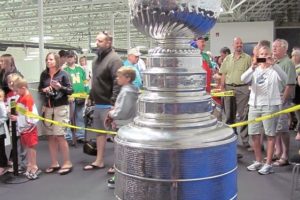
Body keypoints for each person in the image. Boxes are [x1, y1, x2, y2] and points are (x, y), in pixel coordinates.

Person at [241, 46, 287, 175]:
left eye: (266, 54)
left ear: (270, 55)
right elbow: (243, 79)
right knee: (254, 134)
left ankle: (268, 164)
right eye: (261, 54)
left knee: (270, 135)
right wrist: (253, 66)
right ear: (257, 55)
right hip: (254, 105)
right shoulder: (255, 69)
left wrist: (274, 65)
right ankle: (258, 161)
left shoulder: (274, 70)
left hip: (270, 106)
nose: (264, 56)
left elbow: (285, 78)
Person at [83, 31, 122, 171]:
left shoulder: (115, 60)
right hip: (98, 103)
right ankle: (99, 160)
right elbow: (95, 80)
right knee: (99, 133)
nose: (96, 44)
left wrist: (114, 104)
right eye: (96, 41)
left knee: (114, 136)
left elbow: (118, 83)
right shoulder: (95, 60)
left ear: (108, 42)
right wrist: (91, 96)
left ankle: (118, 164)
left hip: (109, 104)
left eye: (100, 41)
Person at [38, 52, 73, 175]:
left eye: (51, 59)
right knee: (50, 136)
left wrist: (59, 87)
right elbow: (39, 89)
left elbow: (70, 90)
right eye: (47, 59)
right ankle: (54, 162)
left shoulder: (64, 74)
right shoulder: (44, 74)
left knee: (60, 135)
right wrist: (44, 89)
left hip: (60, 107)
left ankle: (67, 162)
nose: (49, 62)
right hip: (48, 107)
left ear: (56, 61)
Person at [106, 67, 139, 188]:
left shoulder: (127, 92)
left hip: (123, 125)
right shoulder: (130, 90)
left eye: (120, 76)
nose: (117, 79)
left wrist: (111, 114)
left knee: (121, 152)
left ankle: (121, 177)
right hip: (126, 124)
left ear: (128, 78)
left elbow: (123, 112)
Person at [219, 37, 252, 154]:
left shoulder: (248, 58)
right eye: (237, 43)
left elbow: (252, 73)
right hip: (228, 88)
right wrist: (222, 88)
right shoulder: (227, 58)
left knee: (244, 115)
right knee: (229, 115)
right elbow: (223, 74)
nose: (239, 45)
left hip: (243, 89)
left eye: (241, 43)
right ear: (233, 45)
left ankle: (245, 140)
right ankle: (231, 139)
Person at [272, 39, 297, 166]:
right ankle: (277, 152)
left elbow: (290, 84)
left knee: (283, 129)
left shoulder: (288, 63)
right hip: (273, 98)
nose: (274, 48)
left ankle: (285, 155)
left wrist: (283, 99)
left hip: (282, 98)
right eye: (273, 46)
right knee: (276, 128)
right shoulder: (275, 62)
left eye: (276, 47)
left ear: (284, 49)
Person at [10, 78, 41, 180]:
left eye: (17, 90)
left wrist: (17, 118)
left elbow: (29, 116)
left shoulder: (27, 99)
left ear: (23, 88)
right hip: (24, 128)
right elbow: (20, 110)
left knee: (31, 147)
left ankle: (34, 166)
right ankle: (30, 164)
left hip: (29, 128)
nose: (16, 93)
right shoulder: (21, 97)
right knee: (28, 147)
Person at [64, 50, 89, 144]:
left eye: (72, 57)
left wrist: (87, 93)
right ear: (66, 58)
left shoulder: (81, 69)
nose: (70, 58)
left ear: (75, 58)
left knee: (80, 116)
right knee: (69, 117)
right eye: (68, 57)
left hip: (81, 96)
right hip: (71, 98)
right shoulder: (64, 70)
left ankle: (80, 135)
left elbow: (85, 81)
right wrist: (68, 95)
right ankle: (68, 136)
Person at [292, 49, 300, 140]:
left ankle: (298, 131)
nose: (293, 57)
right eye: (292, 55)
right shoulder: (292, 67)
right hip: (294, 95)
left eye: (295, 55)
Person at [0, 89, 8, 176]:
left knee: (1, 149)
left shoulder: (1, 104)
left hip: (0, 132)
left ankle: (2, 166)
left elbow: (5, 116)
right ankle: (4, 163)